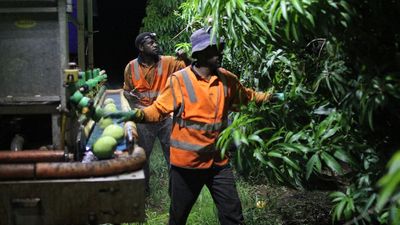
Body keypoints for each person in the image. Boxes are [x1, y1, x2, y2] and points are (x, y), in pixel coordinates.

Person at [110, 27, 284, 225]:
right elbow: (158, 109)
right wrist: (137, 115)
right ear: (200, 53)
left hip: (218, 162)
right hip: (186, 165)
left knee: (233, 216)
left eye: (220, 48)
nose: (220, 53)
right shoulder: (180, 80)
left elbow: (248, 97)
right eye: (214, 49)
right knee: (178, 217)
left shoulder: (227, 79)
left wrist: (274, 97)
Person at [123, 32, 189, 193]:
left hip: (166, 117)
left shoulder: (169, 61)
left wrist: (185, 57)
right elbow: (126, 91)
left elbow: (190, 70)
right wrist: (129, 96)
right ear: (141, 47)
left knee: (173, 156)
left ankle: (176, 192)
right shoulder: (131, 67)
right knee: (143, 156)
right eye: (150, 43)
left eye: (155, 42)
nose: (155, 45)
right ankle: (144, 191)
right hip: (145, 118)